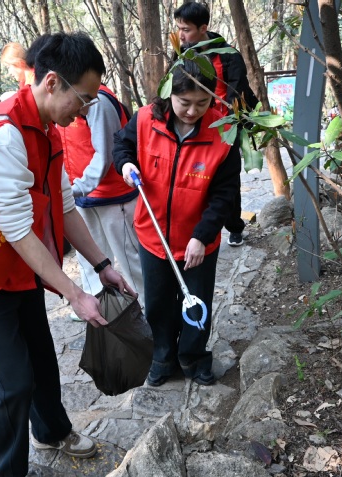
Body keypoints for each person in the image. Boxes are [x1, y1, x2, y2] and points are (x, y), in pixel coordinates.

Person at [0, 33, 136, 477]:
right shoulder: (8, 134)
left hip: (15, 264)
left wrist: (102, 266)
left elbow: (63, 205)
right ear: (51, 82)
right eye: (83, 98)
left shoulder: (46, 130)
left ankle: (52, 431)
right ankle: (6, 468)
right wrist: (74, 294)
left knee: (41, 359)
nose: (87, 109)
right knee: (12, 383)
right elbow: (17, 228)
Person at [113, 60, 240, 387]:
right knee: (158, 304)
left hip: (197, 242)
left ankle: (193, 358)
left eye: (202, 103)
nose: (192, 111)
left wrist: (202, 236)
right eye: (185, 102)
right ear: (169, 93)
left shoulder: (223, 132)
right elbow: (121, 145)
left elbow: (225, 194)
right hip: (152, 235)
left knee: (196, 304)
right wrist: (125, 165)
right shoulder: (145, 119)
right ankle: (162, 357)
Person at [55, 78, 145, 315]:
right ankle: (101, 309)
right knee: (90, 259)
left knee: (130, 259)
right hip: (81, 194)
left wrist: (77, 187)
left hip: (114, 197)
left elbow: (105, 154)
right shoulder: (60, 102)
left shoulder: (98, 102)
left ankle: (147, 309)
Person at [174, 1, 259, 247]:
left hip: (225, 128)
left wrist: (225, 124)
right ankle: (194, 228)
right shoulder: (182, 53)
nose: (180, 35)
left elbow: (236, 92)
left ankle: (234, 227)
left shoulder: (228, 54)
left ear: (203, 28)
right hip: (193, 124)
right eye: (179, 28)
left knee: (226, 180)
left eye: (186, 29)